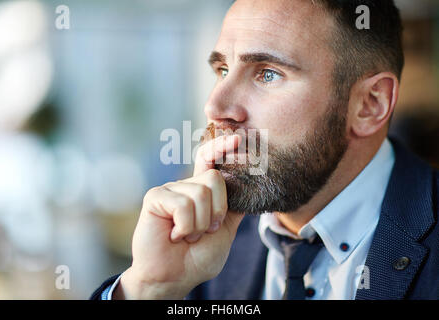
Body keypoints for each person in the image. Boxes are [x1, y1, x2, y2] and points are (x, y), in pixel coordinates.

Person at [91, 0, 438, 300]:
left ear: (369, 105)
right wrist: (150, 288)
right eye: (222, 70)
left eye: (267, 74)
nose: (216, 106)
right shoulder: (201, 240)